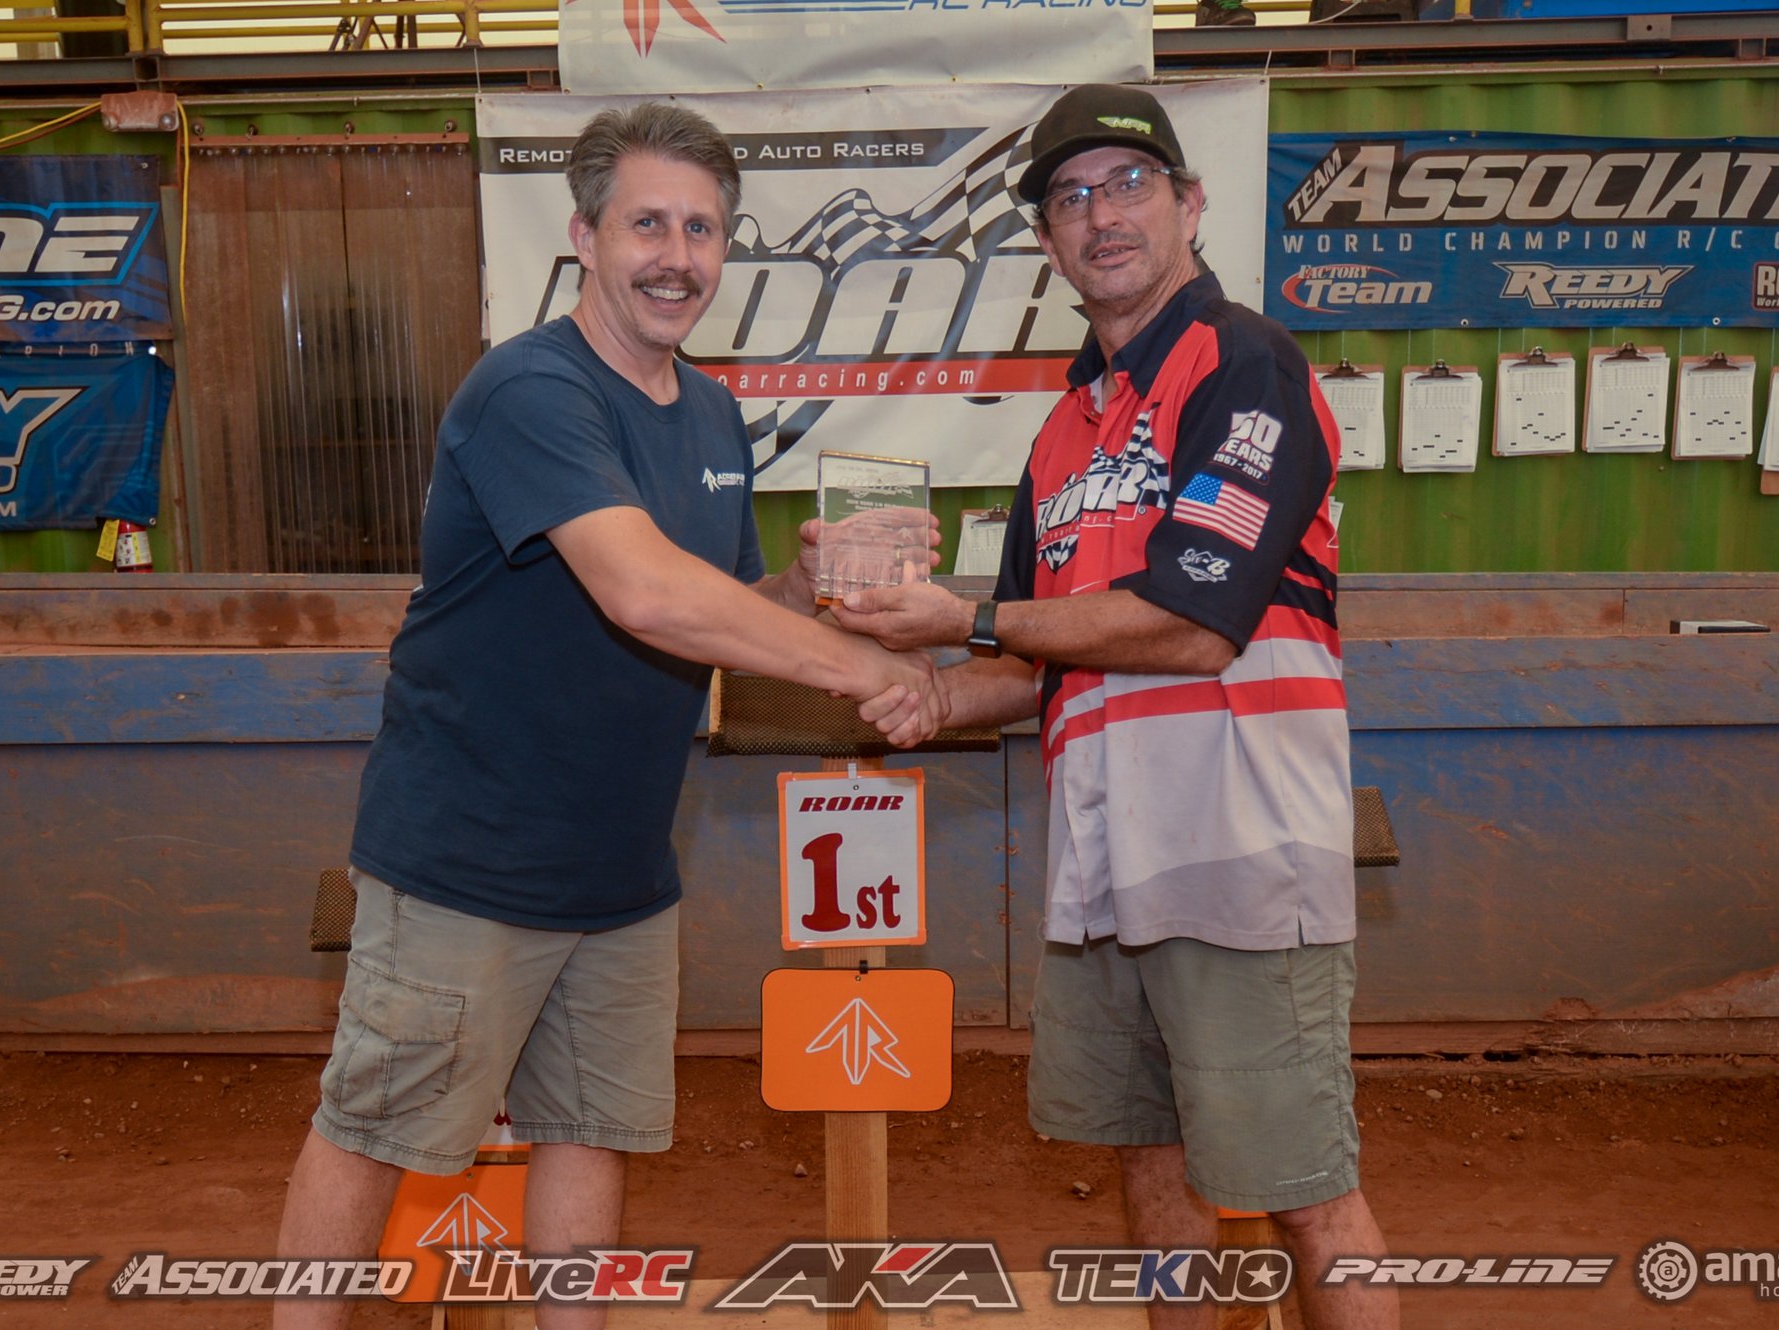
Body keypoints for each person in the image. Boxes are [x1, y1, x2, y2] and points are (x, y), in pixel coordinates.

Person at [272, 103, 947, 1330]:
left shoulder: (711, 415)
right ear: (584, 236)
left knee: (590, 1132)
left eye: (702, 229)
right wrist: (861, 668)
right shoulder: (531, 388)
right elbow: (642, 591)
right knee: (372, 1131)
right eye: (647, 225)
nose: (676, 256)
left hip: (623, 873)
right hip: (469, 864)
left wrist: (806, 587)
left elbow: (718, 609)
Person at [831, 84, 1397, 1330]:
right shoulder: (1060, 435)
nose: (1102, 215)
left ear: (1190, 203)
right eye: (1069, 198)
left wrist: (960, 618)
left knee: (1303, 1189)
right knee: (1149, 1158)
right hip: (1102, 867)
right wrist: (917, 687)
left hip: (1236, 852)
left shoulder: (1242, 364)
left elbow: (1195, 619)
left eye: (1129, 184)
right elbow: (1033, 655)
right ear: (1045, 240)